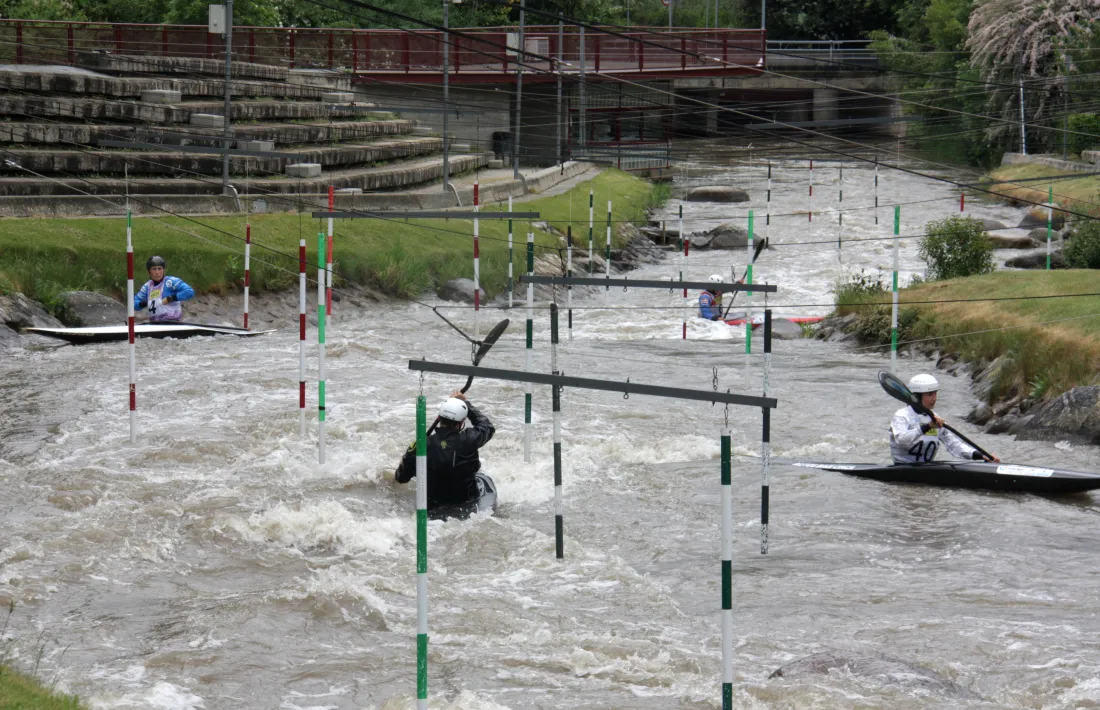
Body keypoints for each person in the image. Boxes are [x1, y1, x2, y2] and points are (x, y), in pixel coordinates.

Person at [395, 391, 496, 510]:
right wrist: (465, 403)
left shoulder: (420, 445)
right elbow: (487, 427)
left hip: (433, 506)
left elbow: (401, 478)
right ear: (461, 423)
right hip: (466, 503)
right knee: (483, 479)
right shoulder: (469, 439)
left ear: (439, 418)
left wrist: (406, 458)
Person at [890, 374, 999, 464]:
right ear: (916, 397)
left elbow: (954, 445)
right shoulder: (902, 416)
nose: (935, 398)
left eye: (935, 393)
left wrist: (980, 455)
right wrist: (927, 427)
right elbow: (901, 440)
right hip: (902, 466)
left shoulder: (935, 418)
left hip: (925, 469)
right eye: (929, 394)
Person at [134, 256, 194, 323]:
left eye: (159, 269)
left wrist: (171, 298)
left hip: (173, 322)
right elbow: (134, 303)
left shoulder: (171, 281)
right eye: (154, 269)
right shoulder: (147, 287)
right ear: (149, 271)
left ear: (163, 270)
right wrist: (145, 303)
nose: (157, 272)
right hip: (154, 324)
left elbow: (189, 291)